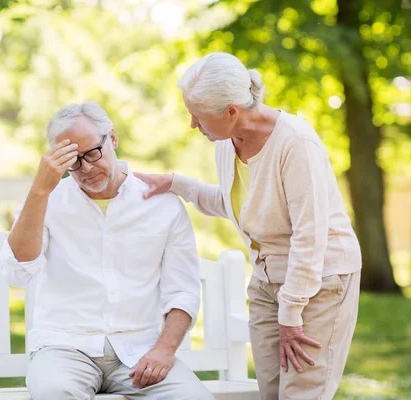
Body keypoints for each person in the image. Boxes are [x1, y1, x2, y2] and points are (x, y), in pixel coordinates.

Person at [135, 52, 362, 400]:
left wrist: (291, 311)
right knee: (271, 392)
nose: (193, 126)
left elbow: (309, 234)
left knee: (302, 393)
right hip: (267, 281)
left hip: (318, 280)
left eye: (198, 117)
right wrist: (176, 183)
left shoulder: (295, 144)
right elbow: (240, 205)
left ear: (231, 111)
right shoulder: (227, 143)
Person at [0, 102, 214, 400]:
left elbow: (183, 292)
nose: (85, 168)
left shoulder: (161, 204)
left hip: (140, 351)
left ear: (111, 138)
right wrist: (39, 190)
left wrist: (164, 350)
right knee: (54, 394)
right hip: (65, 348)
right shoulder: (47, 200)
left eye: (92, 154)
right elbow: (17, 273)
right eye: (73, 162)